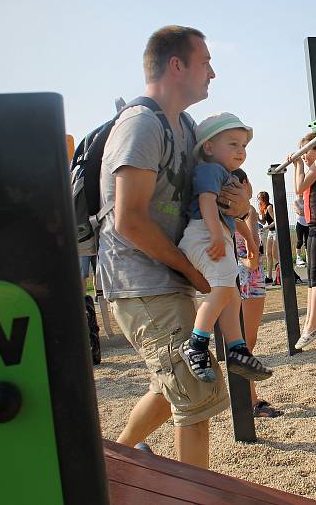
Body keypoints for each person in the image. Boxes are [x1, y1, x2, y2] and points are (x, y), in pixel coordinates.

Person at [98, 25, 250, 468]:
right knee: (197, 399)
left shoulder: (184, 126)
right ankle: (192, 494)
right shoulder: (142, 124)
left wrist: (238, 202)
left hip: (167, 274)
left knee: (172, 389)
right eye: (205, 61)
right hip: (142, 279)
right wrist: (191, 270)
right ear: (176, 65)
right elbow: (129, 220)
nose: (213, 72)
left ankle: (115, 462)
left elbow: (214, 191)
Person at [176, 112, 272, 384]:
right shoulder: (211, 170)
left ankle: (237, 347)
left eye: (243, 146)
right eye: (233, 144)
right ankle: (196, 344)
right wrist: (217, 235)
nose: (241, 151)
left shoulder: (226, 175)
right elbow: (207, 202)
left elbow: (231, 215)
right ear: (208, 147)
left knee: (231, 293)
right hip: (204, 236)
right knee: (220, 290)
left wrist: (250, 241)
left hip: (217, 235)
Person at [230, 169, 283, 418]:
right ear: (244, 184)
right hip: (248, 279)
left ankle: (249, 398)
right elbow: (252, 248)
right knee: (246, 344)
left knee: (244, 342)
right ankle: (251, 401)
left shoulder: (229, 211)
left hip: (244, 276)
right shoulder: (247, 210)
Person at [292, 134, 316, 349]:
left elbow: (299, 187)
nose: (303, 155)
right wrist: (298, 164)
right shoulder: (314, 166)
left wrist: (298, 164)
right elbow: (299, 188)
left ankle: (312, 325)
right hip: (314, 226)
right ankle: (309, 323)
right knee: (311, 278)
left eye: (305, 150)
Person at [257, 192, 278, 284]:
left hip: (276, 231)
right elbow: (263, 222)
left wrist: (265, 228)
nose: (258, 200)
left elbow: (276, 221)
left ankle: (278, 275)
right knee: (268, 254)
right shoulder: (264, 209)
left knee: (275, 255)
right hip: (270, 232)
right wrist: (257, 218)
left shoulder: (270, 207)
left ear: (263, 199)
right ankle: (269, 276)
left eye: (259, 198)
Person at [294, 196, 308, 266]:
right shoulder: (296, 202)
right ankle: (298, 258)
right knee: (300, 241)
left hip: (307, 224)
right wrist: (306, 211)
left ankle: (308, 258)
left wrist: (304, 211)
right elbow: (299, 212)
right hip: (300, 224)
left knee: (308, 241)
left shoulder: (306, 200)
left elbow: (309, 210)